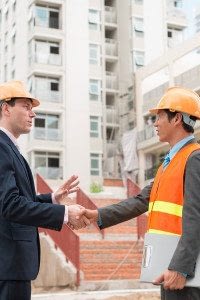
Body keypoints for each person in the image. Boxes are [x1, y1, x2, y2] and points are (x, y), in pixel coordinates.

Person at [79, 86, 200, 300]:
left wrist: (181, 268)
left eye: (160, 116)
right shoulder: (168, 163)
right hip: (169, 265)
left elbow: (195, 217)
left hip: (184, 272)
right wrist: (98, 215)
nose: (155, 123)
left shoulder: (194, 159)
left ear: (177, 119)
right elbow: (141, 200)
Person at [0, 80, 89, 300]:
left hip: (12, 266)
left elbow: (17, 200)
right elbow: (10, 206)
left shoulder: (10, 148)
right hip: (8, 265)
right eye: (26, 106)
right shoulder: (1, 147)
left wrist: (52, 199)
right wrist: (66, 213)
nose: (33, 114)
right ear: (5, 108)